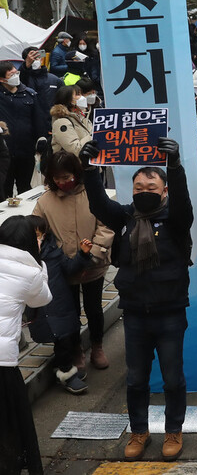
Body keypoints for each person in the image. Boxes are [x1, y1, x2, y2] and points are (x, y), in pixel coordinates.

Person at [80, 137, 192, 462]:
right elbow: (99, 204)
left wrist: (176, 166)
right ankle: (139, 432)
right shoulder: (125, 217)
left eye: (152, 186)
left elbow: (184, 202)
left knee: (172, 377)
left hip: (170, 312)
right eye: (138, 186)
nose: (144, 190)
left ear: (165, 190)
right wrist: (89, 169)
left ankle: (173, 430)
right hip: (135, 314)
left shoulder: (176, 219)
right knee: (135, 378)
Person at [33, 152, 114, 371]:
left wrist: (93, 254)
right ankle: (76, 348)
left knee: (94, 308)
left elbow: (106, 225)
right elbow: (37, 230)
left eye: (66, 176)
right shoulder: (45, 201)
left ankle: (97, 346)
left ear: (76, 173)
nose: (62, 182)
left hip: (94, 265)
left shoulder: (93, 194)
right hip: (63, 269)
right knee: (70, 312)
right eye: (57, 178)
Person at [0, 215, 52, 475]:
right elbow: (43, 298)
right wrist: (40, 263)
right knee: (11, 424)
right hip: (2, 363)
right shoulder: (31, 272)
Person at [26, 214, 94, 394]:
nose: (38, 240)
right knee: (61, 340)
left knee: (68, 336)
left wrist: (83, 254)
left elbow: (70, 268)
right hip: (42, 310)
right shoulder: (23, 261)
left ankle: (62, 367)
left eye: (40, 236)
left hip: (61, 304)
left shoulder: (53, 253)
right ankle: (66, 373)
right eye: (33, 236)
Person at [0, 62, 48, 198]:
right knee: (4, 189)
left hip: (26, 149)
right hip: (4, 151)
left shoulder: (29, 94)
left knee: (26, 188)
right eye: (11, 74)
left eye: (16, 73)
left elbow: (39, 119)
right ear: (2, 79)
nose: (15, 76)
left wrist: (42, 139)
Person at [50, 85, 93, 156]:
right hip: (72, 166)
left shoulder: (84, 119)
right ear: (69, 100)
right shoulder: (62, 122)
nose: (83, 97)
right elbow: (75, 150)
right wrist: (94, 135)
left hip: (88, 165)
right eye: (78, 94)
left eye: (82, 94)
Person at [20, 47, 63, 116]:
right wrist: (26, 67)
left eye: (36, 57)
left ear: (41, 59)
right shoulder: (23, 78)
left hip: (50, 118)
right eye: (31, 59)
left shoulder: (55, 80)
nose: (34, 61)